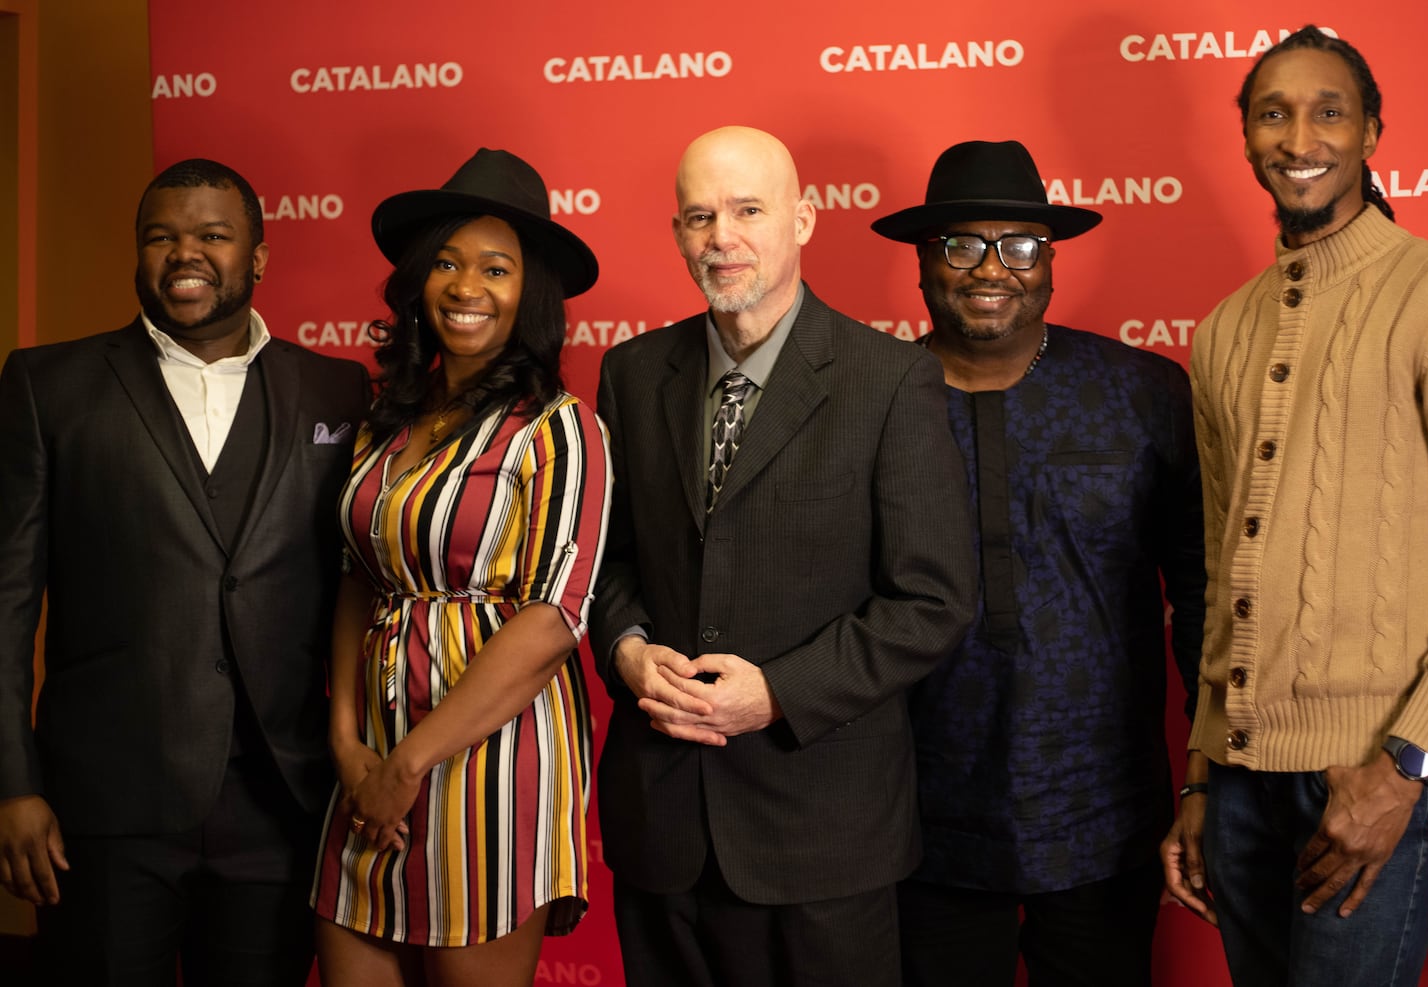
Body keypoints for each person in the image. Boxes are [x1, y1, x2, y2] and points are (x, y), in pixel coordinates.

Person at [1161, 26, 1428, 986]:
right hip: (1239, 783)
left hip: (1369, 773)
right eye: (1273, 114)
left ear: (1373, 129)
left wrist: (1402, 771)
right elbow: (1220, 573)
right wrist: (1202, 774)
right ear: (1247, 138)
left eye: (1329, 110)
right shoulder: (1222, 332)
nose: (1301, 137)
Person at [589, 125, 976, 987]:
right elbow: (605, 561)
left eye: (747, 209)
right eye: (699, 215)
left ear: (803, 219)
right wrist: (625, 648)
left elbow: (934, 600)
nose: (720, 236)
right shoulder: (631, 371)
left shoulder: (890, 381)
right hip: (664, 825)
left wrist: (777, 694)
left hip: (823, 833)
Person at [0, 158, 368, 985]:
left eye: (211, 235)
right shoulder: (47, 385)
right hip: (98, 810)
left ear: (260, 256)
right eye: (160, 237)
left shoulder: (338, 389)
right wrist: (10, 783)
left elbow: (359, 582)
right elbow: (6, 602)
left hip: (280, 805)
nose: (184, 254)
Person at [869, 139, 1206, 987]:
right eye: (962, 245)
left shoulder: (1143, 393)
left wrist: (1212, 779)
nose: (992, 269)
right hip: (918, 816)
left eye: (1019, 245)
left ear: (1050, 261)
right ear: (922, 263)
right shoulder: (870, 403)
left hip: (1104, 809)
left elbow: (1205, 598)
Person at [310, 149, 612, 986]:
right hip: (369, 750)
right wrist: (347, 744)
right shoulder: (385, 423)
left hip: (488, 758)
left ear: (531, 293)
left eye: (495, 268)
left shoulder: (560, 429)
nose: (465, 286)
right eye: (446, 262)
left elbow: (554, 620)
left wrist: (410, 765)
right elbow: (358, 577)